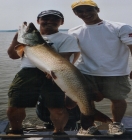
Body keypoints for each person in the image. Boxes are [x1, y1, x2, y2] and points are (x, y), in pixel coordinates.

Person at [68, 0, 132, 136]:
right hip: (85, 72)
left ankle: (116, 124)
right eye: (80, 11)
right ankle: (88, 126)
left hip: (115, 72)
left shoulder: (120, 27)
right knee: (86, 100)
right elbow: (71, 53)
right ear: (75, 13)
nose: (85, 13)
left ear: (97, 10)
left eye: (89, 9)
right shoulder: (74, 31)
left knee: (117, 99)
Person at [7, 10, 80, 139]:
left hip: (54, 74)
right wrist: (16, 39)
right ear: (38, 21)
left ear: (61, 22)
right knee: (15, 105)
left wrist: (52, 70)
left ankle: (59, 132)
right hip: (27, 72)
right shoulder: (28, 37)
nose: (49, 21)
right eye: (45, 18)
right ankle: (16, 131)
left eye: (55, 19)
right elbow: (13, 56)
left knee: (57, 107)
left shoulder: (67, 38)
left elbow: (64, 59)